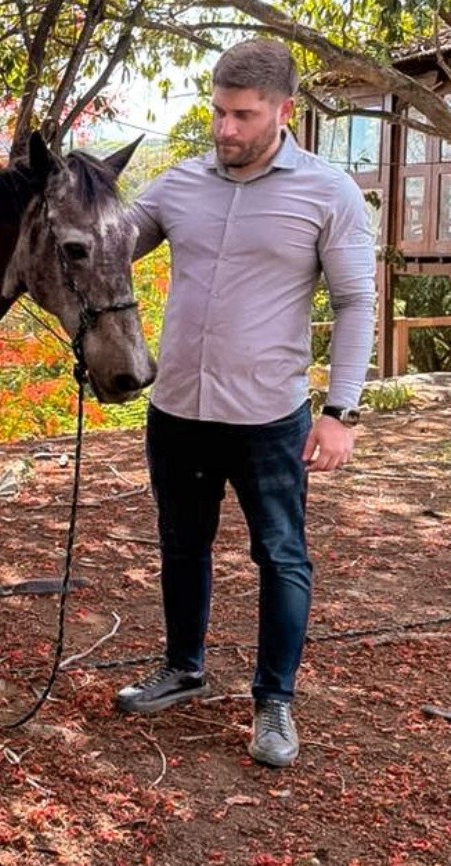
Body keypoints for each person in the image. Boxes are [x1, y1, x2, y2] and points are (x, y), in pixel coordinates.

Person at [116, 39, 377, 767]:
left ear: (282, 112)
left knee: (282, 557)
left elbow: (358, 302)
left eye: (243, 115)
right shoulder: (178, 184)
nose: (226, 129)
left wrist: (340, 411)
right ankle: (183, 668)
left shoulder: (328, 192)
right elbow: (108, 244)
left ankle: (274, 703)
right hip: (177, 412)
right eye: (218, 113)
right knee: (180, 545)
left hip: (269, 418)